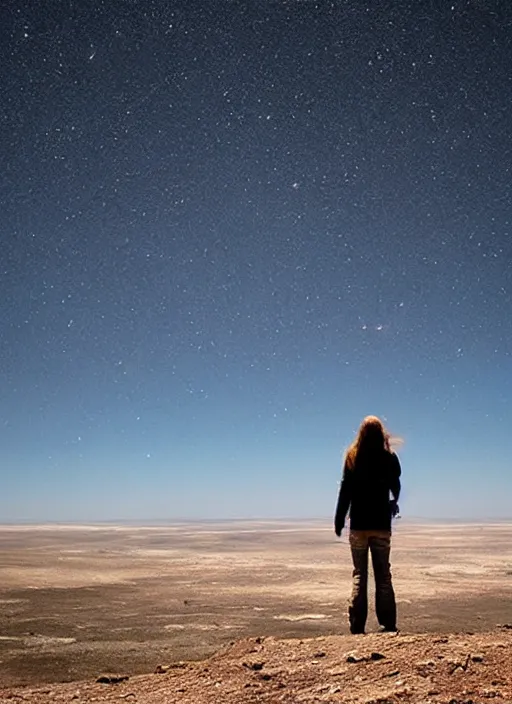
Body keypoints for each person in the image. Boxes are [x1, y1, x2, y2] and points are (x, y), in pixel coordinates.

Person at [334, 416, 401, 635]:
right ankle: (388, 624)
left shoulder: (353, 458)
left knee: (359, 574)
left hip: (359, 525)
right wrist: (393, 502)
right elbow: (396, 485)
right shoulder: (389, 458)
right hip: (381, 523)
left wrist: (339, 519)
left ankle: (357, 625)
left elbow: (345, 491)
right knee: (383, 574)